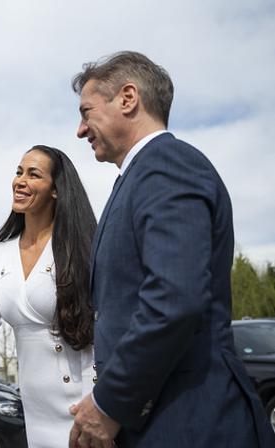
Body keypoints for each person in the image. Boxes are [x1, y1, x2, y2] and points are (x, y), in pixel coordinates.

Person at [68, 51, 275, 448]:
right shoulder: (137, 177)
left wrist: (110, 403)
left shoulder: (166, 164)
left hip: (189, 422)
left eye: (86, 112)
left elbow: (174, 300)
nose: (80, 130)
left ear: (128, 98)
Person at [0, 145, 98, 448]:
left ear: (55, 190)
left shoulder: (80, 249)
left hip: (83, 399)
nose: (20, 181)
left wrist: (100, 403)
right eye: (19, 172)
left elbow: (98, 326)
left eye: (33, 174)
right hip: (35, 404)